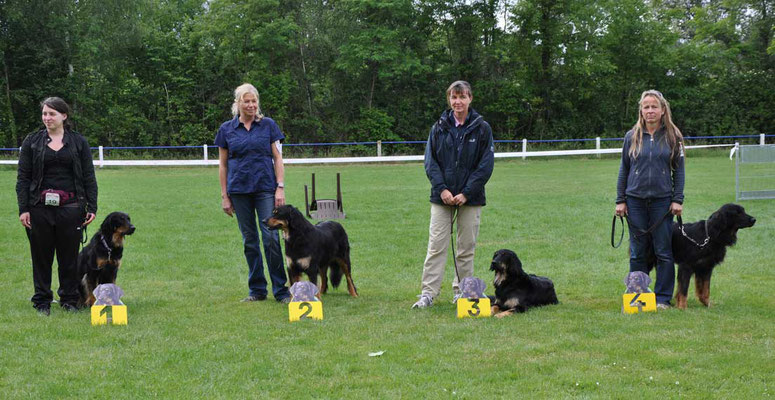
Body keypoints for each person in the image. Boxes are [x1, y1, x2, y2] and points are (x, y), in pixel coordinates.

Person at [412, 80, 495, 309]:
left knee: (466, 248)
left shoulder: (482, 128)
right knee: (436, 246)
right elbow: (431, 163)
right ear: (449, 99)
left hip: (471, 198)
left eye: (462, 97)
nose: (458, 102)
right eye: (453, 97)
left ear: (470, 99)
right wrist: (443, 190)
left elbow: (485, 166)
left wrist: (467, 193)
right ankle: (428, 294)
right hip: (442, 198)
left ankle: (463, 293)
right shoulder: (438, 127)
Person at [16, 97, 98, 315]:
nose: (47, 118)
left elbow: (89, 176)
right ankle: (42, 300)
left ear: (64, 116)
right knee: (41, 257)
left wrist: (92, 207)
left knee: (68, 258)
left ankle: (69, 299)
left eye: (51, 114)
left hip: (71, 208)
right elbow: (23, 178)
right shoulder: (32, 142)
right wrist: (23, 208)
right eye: (44, 114)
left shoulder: (79, 142)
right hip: (39, 209)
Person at [216, 83, 291, 304]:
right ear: (237, 104)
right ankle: (257, 289)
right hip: (238, 191)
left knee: (270, 238)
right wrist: (224, 196)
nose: (251, 105)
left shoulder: (268, 126)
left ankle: (281, 290)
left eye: (254, 101)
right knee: (250, 240)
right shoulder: (226, 130)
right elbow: (222, 165)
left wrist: (280, 186)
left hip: (265, 188)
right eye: (246, 101)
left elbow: (277, 158)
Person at [615, 89, 685, 309]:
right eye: (646, 107)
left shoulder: (674, 136)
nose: (650, 110)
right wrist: (620, 200)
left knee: (663, 251)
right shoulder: (631, 136)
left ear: (663, 110)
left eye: (654, 106)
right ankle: (639, 296)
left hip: (662, 203)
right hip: (634, 201)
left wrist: (677, 199)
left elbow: (679, 171)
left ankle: (663, 298)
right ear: (641, 110)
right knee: (637, 252)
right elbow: (624, 170)